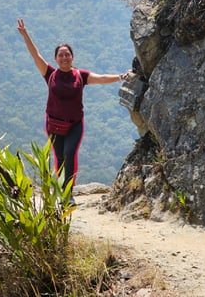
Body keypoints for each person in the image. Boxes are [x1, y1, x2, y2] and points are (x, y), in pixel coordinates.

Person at [17, 18, 131, 205]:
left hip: (75, 124)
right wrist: (25, 34)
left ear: (72, 57)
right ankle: (61, 191)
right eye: (61, 55)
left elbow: (101, 78)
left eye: (67, 55)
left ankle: (68, 193)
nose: (64, 58)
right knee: (59, 157)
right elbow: (35, 55)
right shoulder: (50, 73)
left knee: (70, 153)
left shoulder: (80, 76)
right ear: (55, 59)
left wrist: (120, 77)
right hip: (53, 123)